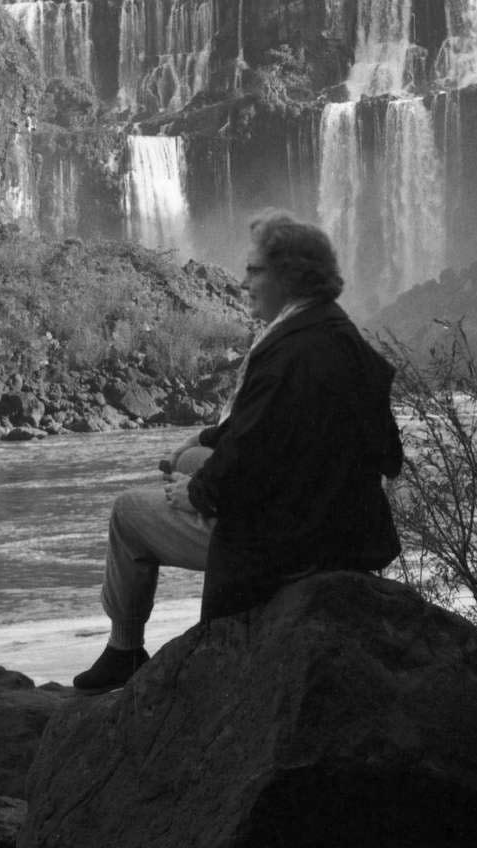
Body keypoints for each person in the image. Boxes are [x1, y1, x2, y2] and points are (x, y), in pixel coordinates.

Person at [72, 211, 403, 693]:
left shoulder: (285, 353)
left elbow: (251, 459)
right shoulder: (341, 338)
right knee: (187, 460)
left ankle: (124, 650)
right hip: (345, 533)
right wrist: (206, 442)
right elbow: (377, 454)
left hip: (283, 545)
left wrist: (199, 494)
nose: (243, 282)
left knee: (128, 513)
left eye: (254, 271)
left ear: (289, 277)